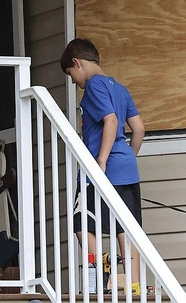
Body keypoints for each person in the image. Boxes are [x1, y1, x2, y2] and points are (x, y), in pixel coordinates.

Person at [60, 38, 146, 295]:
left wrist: (101, 162)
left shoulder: (94, 85)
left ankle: (101, 264)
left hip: (101, 169)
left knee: (81, 223)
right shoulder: (119, 88)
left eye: (71, 75)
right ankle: (133, 284)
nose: (75, 82)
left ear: (77, 63)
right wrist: (125, 160)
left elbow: (110, 121)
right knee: (126, 229)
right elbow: (139, 129)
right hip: (126, 168)